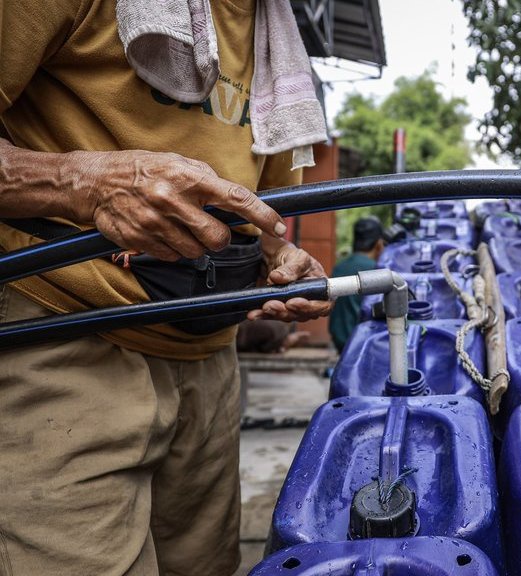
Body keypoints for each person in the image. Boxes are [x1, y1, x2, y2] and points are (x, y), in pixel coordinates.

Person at [0, 2, 331, 574]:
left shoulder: (274, 35)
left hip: (209, 367)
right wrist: (83, 182)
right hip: (64, 343)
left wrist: (281, 261)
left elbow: (260, 219)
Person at [329, 217, 386, 352]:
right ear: (379, 244)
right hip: (361, 343)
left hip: (339, 342)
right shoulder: (377, 270)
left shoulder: (339, 267)